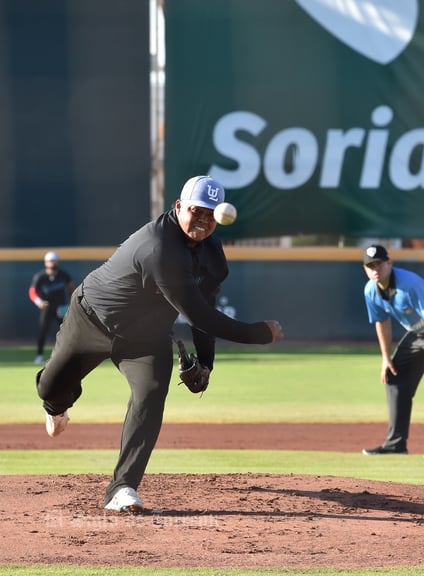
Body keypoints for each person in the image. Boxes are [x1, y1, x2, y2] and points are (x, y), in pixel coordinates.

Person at [35, 175, 284, 513]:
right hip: (92, 320)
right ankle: (58, 403)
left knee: (151, 393)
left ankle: (122, 487)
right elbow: (199, 316)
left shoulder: (212, 256)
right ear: (178, 206)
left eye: (211, 215)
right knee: (50, 388)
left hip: (146, 337)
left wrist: (206, 362)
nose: (203, 220)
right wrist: (259, 333)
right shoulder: (160, 246)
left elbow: (206, 304)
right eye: (197, 210)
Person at [361, 244, 424, 457]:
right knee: (394, 375)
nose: (375, 269)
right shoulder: (370, 290)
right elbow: (381, 322)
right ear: (365, 269)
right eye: (370, 265)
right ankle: (395, 444)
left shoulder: (409, 284)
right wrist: (385, 358)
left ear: (389, 263)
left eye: (379, 263)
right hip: (418, 332)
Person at [29, 251, 75, 364]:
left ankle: (67, 355)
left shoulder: (63, 275)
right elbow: (32, 291)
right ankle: (39, 356)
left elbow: (71, 290)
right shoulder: (40, 276)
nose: (51, 263)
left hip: (61, 308)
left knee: (66, 331)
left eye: (53, 260)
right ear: (45, 262)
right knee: (43, 332)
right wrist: (39, 302)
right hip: (47, 308)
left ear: (57, 261)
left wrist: (71, 304)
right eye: (49, 260)